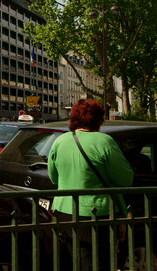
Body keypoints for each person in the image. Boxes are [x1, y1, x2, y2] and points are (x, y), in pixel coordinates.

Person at [48, 98, 133, 270]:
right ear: (99, 120)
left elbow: (53, 178)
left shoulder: (60, 141)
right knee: (97, 262)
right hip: (96, 212)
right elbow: (126, 179)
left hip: (63, 211)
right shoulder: (104, 141)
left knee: (73, 261)